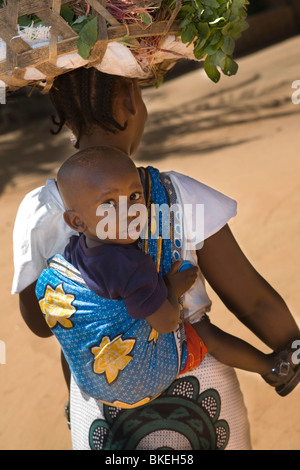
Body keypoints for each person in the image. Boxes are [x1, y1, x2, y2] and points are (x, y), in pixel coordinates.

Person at [12, 67, 300, 450]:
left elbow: (41, 324)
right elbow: (254, 301)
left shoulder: (40, 211)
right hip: (201, 394)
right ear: (131, 98)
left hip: (99, 408)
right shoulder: (177, 194)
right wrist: (291, 351)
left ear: (62, 113)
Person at [36, 145, 299, 407]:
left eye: (135, 195)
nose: (130, 211)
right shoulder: (131, 264)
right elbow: (166, 323)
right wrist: (171, 288)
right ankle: (272, 368)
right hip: (141, 376)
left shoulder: (75, 251)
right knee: (202, 332)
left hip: (97, 388)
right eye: (109, 203)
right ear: (76, 221)